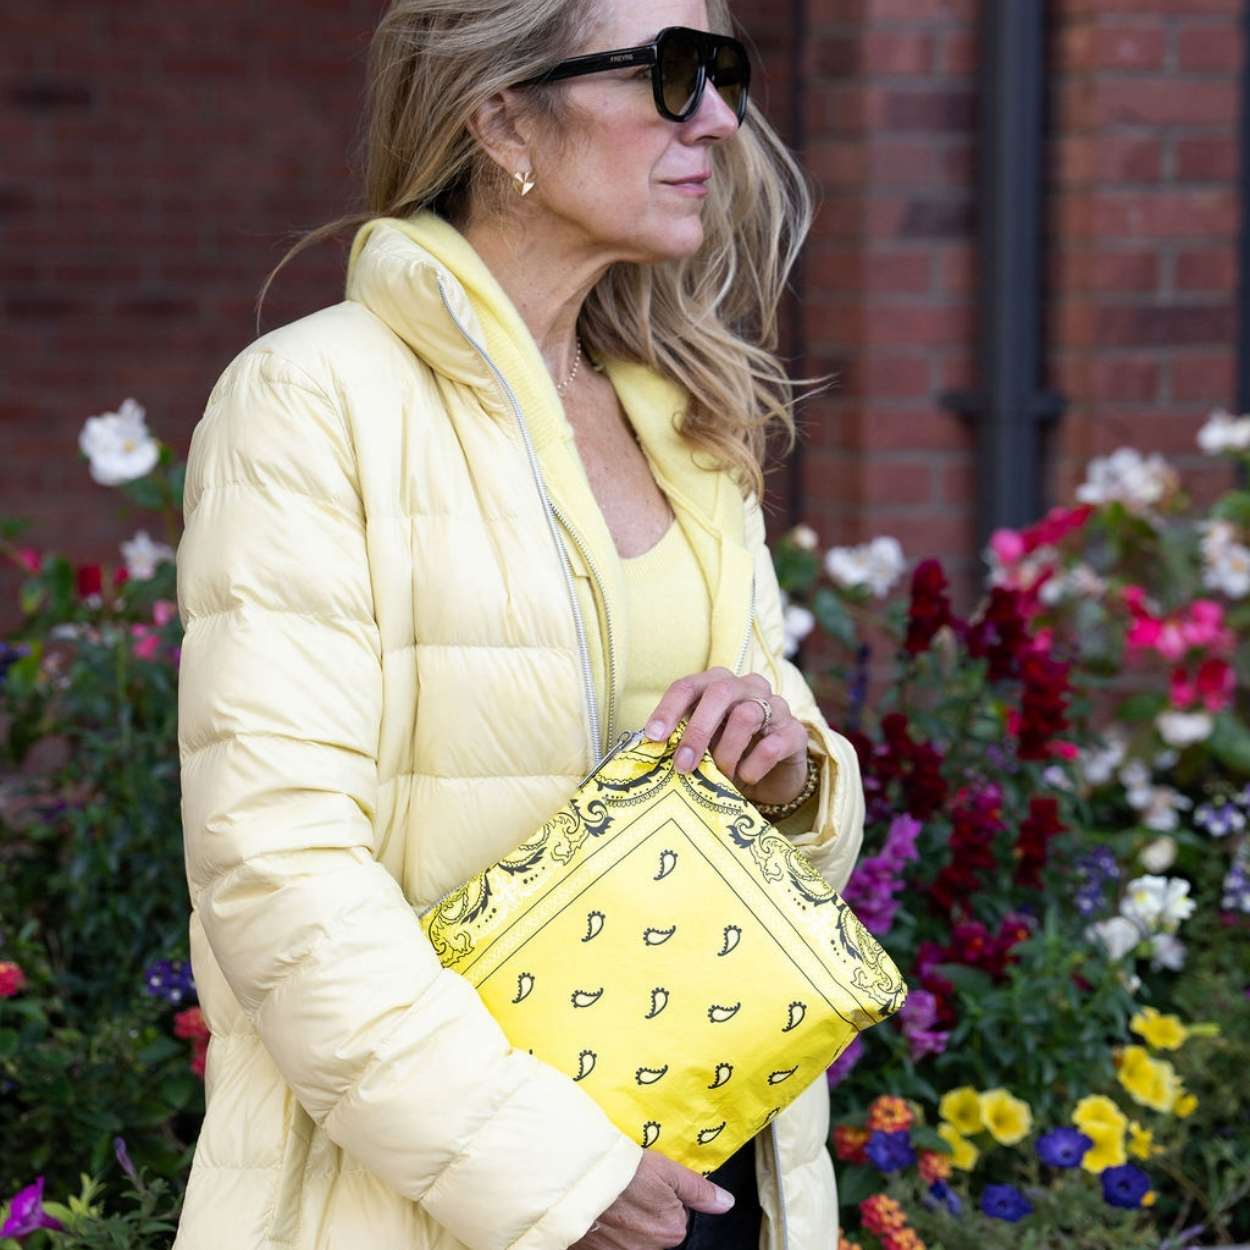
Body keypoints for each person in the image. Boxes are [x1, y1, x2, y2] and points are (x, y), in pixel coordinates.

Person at [172, 1, 866, 1248]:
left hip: (715, 1179)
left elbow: (798, 845)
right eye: (667, 74)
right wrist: (546, 1169)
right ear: (499, 118)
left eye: (719, 70)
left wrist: (788, 767)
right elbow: (273, 866)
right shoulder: (311, 400)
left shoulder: (687, 418)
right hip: (442, 1200)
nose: (715, 119)